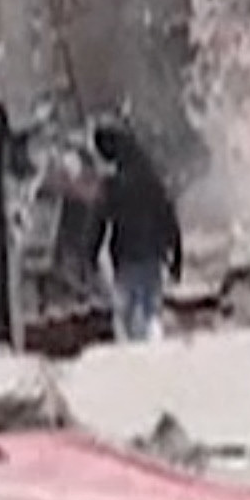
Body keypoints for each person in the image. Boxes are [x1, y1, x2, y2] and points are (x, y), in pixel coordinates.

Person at [88, 119, 181, 342]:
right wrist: (177, 257)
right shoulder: (152, 179)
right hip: (153, 255)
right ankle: (152, 345)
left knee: (126, 313)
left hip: (126, 256)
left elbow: (99, 222)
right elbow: (169, 219)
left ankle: (133, 352)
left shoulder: (113, 185)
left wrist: (91, 254)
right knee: (149, 309)